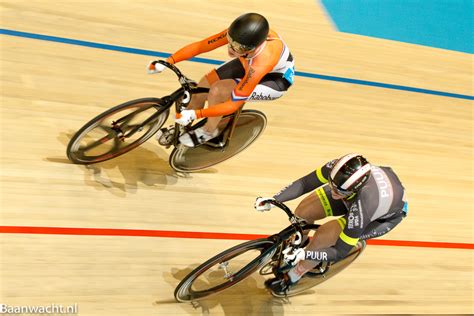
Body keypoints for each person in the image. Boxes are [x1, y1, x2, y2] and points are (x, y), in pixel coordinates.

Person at [254, 153, 408, 297]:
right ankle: (297, 245)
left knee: (323, 237)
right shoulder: (339, 169)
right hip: (353, 194)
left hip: (379, 218)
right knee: (304, 211)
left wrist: (304, 254)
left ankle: (294, 275)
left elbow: (339, 252)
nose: (333, 193)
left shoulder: (365, 206)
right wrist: (275, 200)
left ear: (355, 189)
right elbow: (305, 183)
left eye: (338, 191)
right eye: (331, 185)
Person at [147, 12, 295, 147]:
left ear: (252, 47)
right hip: (248, 62)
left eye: (238, 48)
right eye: (230, 41)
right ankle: (181, 127)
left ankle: (209, 131)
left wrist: (197, 114)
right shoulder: (241, 36)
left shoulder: (261, 61)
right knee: (203, 86)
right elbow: (201, 46)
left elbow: (232, 105)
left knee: (218, 91)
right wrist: (168, 61)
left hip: (274, 80)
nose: (231, 49)